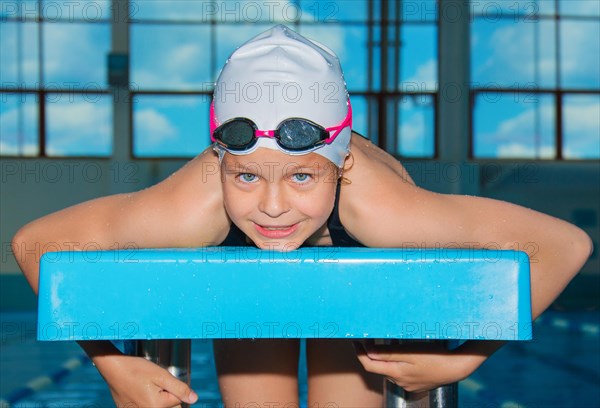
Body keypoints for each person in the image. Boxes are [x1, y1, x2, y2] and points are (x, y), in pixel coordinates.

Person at [13, 25, 592, 408]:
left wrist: (459, 362)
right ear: (221, 162)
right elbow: (35, 245)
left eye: (302, 176)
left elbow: (564, 246)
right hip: (244, 261)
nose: (271, 206)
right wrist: (112, 366)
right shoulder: (194, 204)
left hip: (355, 255)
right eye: (246, 176)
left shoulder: (381, 210)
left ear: (339, 169)